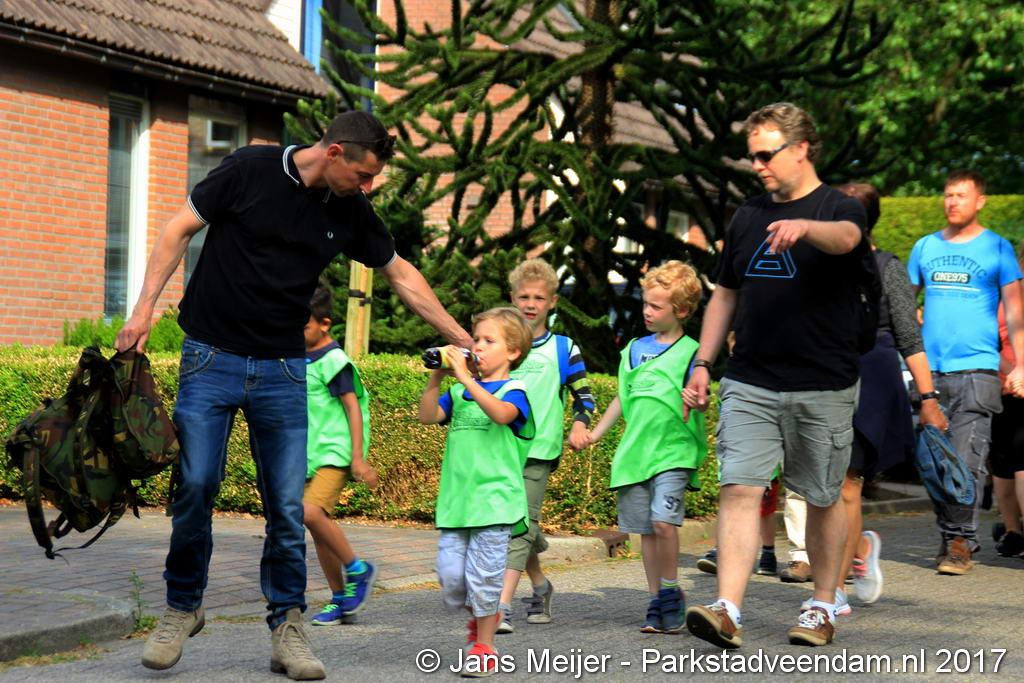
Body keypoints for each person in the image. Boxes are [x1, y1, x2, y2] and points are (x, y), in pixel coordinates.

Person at [119, 111, 472, 679]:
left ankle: (287, 627)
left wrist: (461, 338)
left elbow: (401, 274)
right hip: (210, 358)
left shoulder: (349, 209)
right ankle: (182, 607)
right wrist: (141, 312)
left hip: (283, 370)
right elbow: (177, 229)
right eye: (363, 175)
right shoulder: (248, 169)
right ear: (333, 153)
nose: (368, 187)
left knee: (286, 508)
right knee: (196, 485)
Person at [682, 102, 869, 648]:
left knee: (821, 496)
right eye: (753, 156)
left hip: (824, 381)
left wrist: (805, 227)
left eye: (767, 154)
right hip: (751, 380)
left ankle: (821, 606)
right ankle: (727, 609)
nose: (757, 165)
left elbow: (847, 239)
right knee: (739, 487)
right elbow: (725, 293)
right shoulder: (748, 216)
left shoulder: (839, 207)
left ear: (801, 148)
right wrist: (703, 362)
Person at [800, 182, 948, 612]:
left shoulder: (888, 267)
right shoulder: (819, 264)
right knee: (825, 487)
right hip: (826, 373)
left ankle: (834, 591)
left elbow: (909, 337)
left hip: (873, 379)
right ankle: (860, 548)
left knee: (846, 484)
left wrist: (928, 398)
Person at [908, 169, 1024, 575]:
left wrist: (1022, 364)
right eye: (948, 195)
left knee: (968, 459)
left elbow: (1015, 313)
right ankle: (951, 533)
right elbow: (904, 305)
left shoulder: (997, 248)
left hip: (978, 371)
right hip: (930, 374)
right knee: (934, 462)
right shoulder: (924, 247)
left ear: (980, 201)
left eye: (961, 195)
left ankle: (960, 542)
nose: (952, 202)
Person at [585, 260, 707, 635]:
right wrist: (595, 433)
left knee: (663, 523)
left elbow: (701, 396)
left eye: (656, 306)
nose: (647, 312)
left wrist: (699, 402)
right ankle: (658, 601)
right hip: (635, 457)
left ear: (681, 311)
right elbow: (622, 398)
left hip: (674, 452)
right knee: (647, 532)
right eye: (645, 304)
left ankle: (669, 590)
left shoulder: (693, 352)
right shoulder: (633, 350)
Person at [419, 308, 534, 678]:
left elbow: (502, 414)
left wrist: (467, 378)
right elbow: (427, 416)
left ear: (513, 351)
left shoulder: (515, 392)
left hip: (496, 504)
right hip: (458, 504)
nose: (478, 347)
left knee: (484, 580)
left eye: (488, 341)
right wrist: (437, 377)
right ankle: (485, 614)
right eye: (476, 339)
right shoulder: (458, 393)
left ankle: (484, 646)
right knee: (453, 582)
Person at [497, 259, 594, 633]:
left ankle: (501, 606)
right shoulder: (501, 346)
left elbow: (585, 397)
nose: (531, 304)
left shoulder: (564, 349)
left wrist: (579, 425)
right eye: (524, 296)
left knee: (517, 527)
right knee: (513, 525)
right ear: (512, 298)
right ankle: (540, 584)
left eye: (539, 298)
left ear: (552, 301)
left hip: (538, 451)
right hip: (499, 449)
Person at [301, 286, 380, 625]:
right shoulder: (300, 358)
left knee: (310, 512)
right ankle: (339, 598)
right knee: (319, 528)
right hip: (309, 455)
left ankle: (358, 570)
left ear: (325, 324)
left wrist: (358, 457)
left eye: (303, 325)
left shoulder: (334, 361)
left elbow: (353, 409)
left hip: (335, 452)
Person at [988, 240, 1024, 557]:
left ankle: (1014, 532)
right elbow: (991, 342)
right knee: (1009, 464)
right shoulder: (1006, 298)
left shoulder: (1001, 296)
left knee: (1008, 463)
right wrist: (1015, 373)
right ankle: (1014, 531)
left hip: (1007, 384)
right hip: (1008, 386)